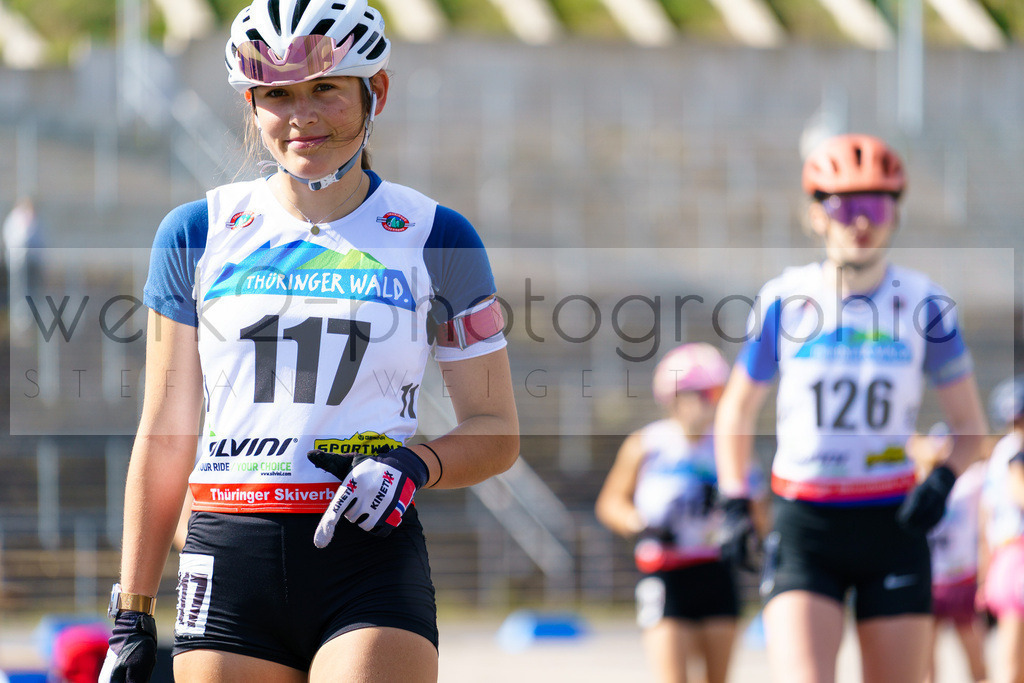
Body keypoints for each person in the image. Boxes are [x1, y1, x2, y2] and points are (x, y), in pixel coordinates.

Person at [98, 1, 519, 681]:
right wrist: (132, 611)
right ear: (252, 104)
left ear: (373, 92)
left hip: (366, 557)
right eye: (278, 95)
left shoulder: (439, 236)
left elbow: (497, 432)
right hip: (228, 553)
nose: (303, 115)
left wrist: (417, 465)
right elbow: (166, 428)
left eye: (326, 87)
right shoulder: (194, 232)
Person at [713, 133, 988, 683]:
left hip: (893, 522)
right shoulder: (783, 300)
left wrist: (941, 483)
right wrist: (735, 499)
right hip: (805, 522)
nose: (861, 221)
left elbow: (970, 428)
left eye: (878, 206)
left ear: (895, 215)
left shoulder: (925, 303)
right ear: (815, 215)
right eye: (843, 206)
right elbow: (736, 411)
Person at [595, 342, 765, 683]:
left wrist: (756, 541)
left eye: (712, 393)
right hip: (666, 571)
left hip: (716, 569)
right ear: (672, 397)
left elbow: (759, 509)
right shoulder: (646, 445)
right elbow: (610, 502)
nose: (705, 403)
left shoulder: (731, 445)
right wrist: (638, 523)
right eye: (696, 393)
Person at [907, 423, 987, 683]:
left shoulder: (971, 480)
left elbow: (983, 450)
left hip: (961, 579)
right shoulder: (921, 481)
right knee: (926, 663)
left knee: (975, 656)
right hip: (931, 581)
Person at [980, 375, 1024, 683]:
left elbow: (986, 517)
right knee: (1012, 662)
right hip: (1017, 556)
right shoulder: (1013, 453)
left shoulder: (1002, 450)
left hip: (1006, 556)